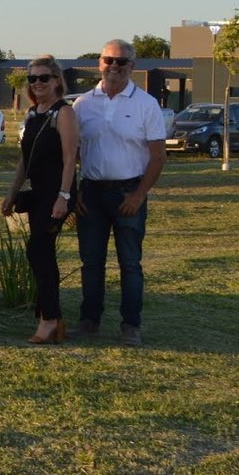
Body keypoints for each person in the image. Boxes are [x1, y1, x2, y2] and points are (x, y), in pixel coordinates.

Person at [72, 39, 166, 347]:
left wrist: (138, 195)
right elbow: (72, 152)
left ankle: (130, 324)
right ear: (99, 63)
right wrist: (77, 191)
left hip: (129, 192)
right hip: (92, 194)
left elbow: (158, 155)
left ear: (132, 67)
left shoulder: (146, 104)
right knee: (91, 261)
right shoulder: (83, 104)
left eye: (121, 62)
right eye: (109, 60)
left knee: (129, 262)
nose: (114, 66)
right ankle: (89, 320)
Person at [2, 56, 79, 344]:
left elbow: (71, 158)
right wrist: (11, 193)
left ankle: (50, 319)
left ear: (57, 80)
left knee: (39, 251)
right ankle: (50, 316)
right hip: (37, 194)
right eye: (32, 79)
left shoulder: (64, 113)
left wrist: (64, 196)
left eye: (44, 78)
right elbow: (25, 159)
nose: (37, 83)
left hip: (56, 193)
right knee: (38, 254)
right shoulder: (34, 114)